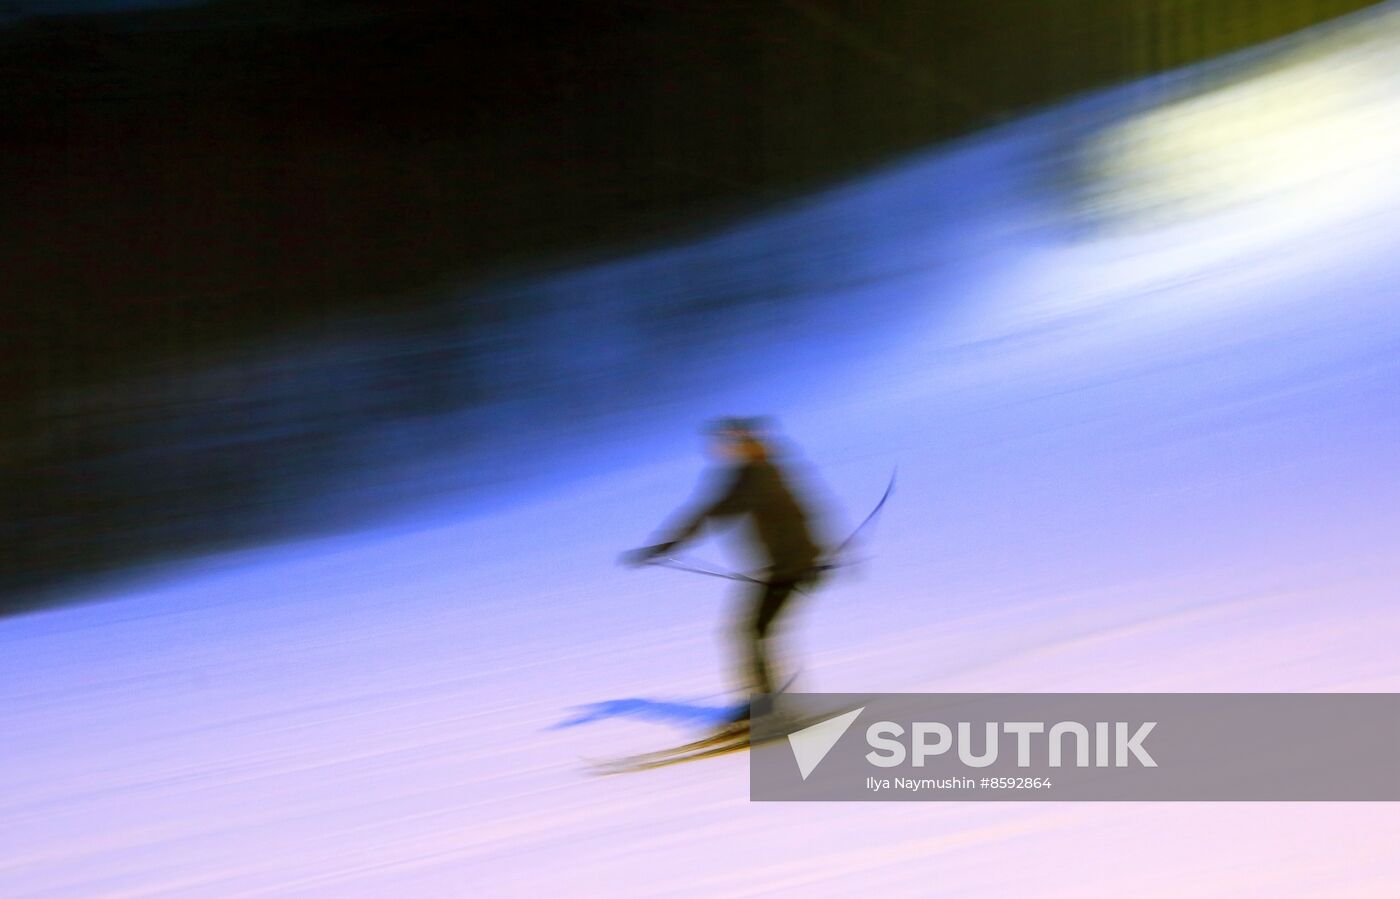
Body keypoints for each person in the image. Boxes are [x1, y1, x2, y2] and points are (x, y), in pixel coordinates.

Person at [622, 417, 827, 726]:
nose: (717, 449)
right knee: (753, 632)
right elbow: (712, 511)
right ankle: (766, 705)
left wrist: (665, 546)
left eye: (725, 442)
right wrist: (664, 546)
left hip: (792, 567)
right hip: (789, 566)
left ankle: (766, 709)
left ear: (742, 444)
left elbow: (712, 511)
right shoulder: (755, 471)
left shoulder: (758, 475)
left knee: (750, 632)